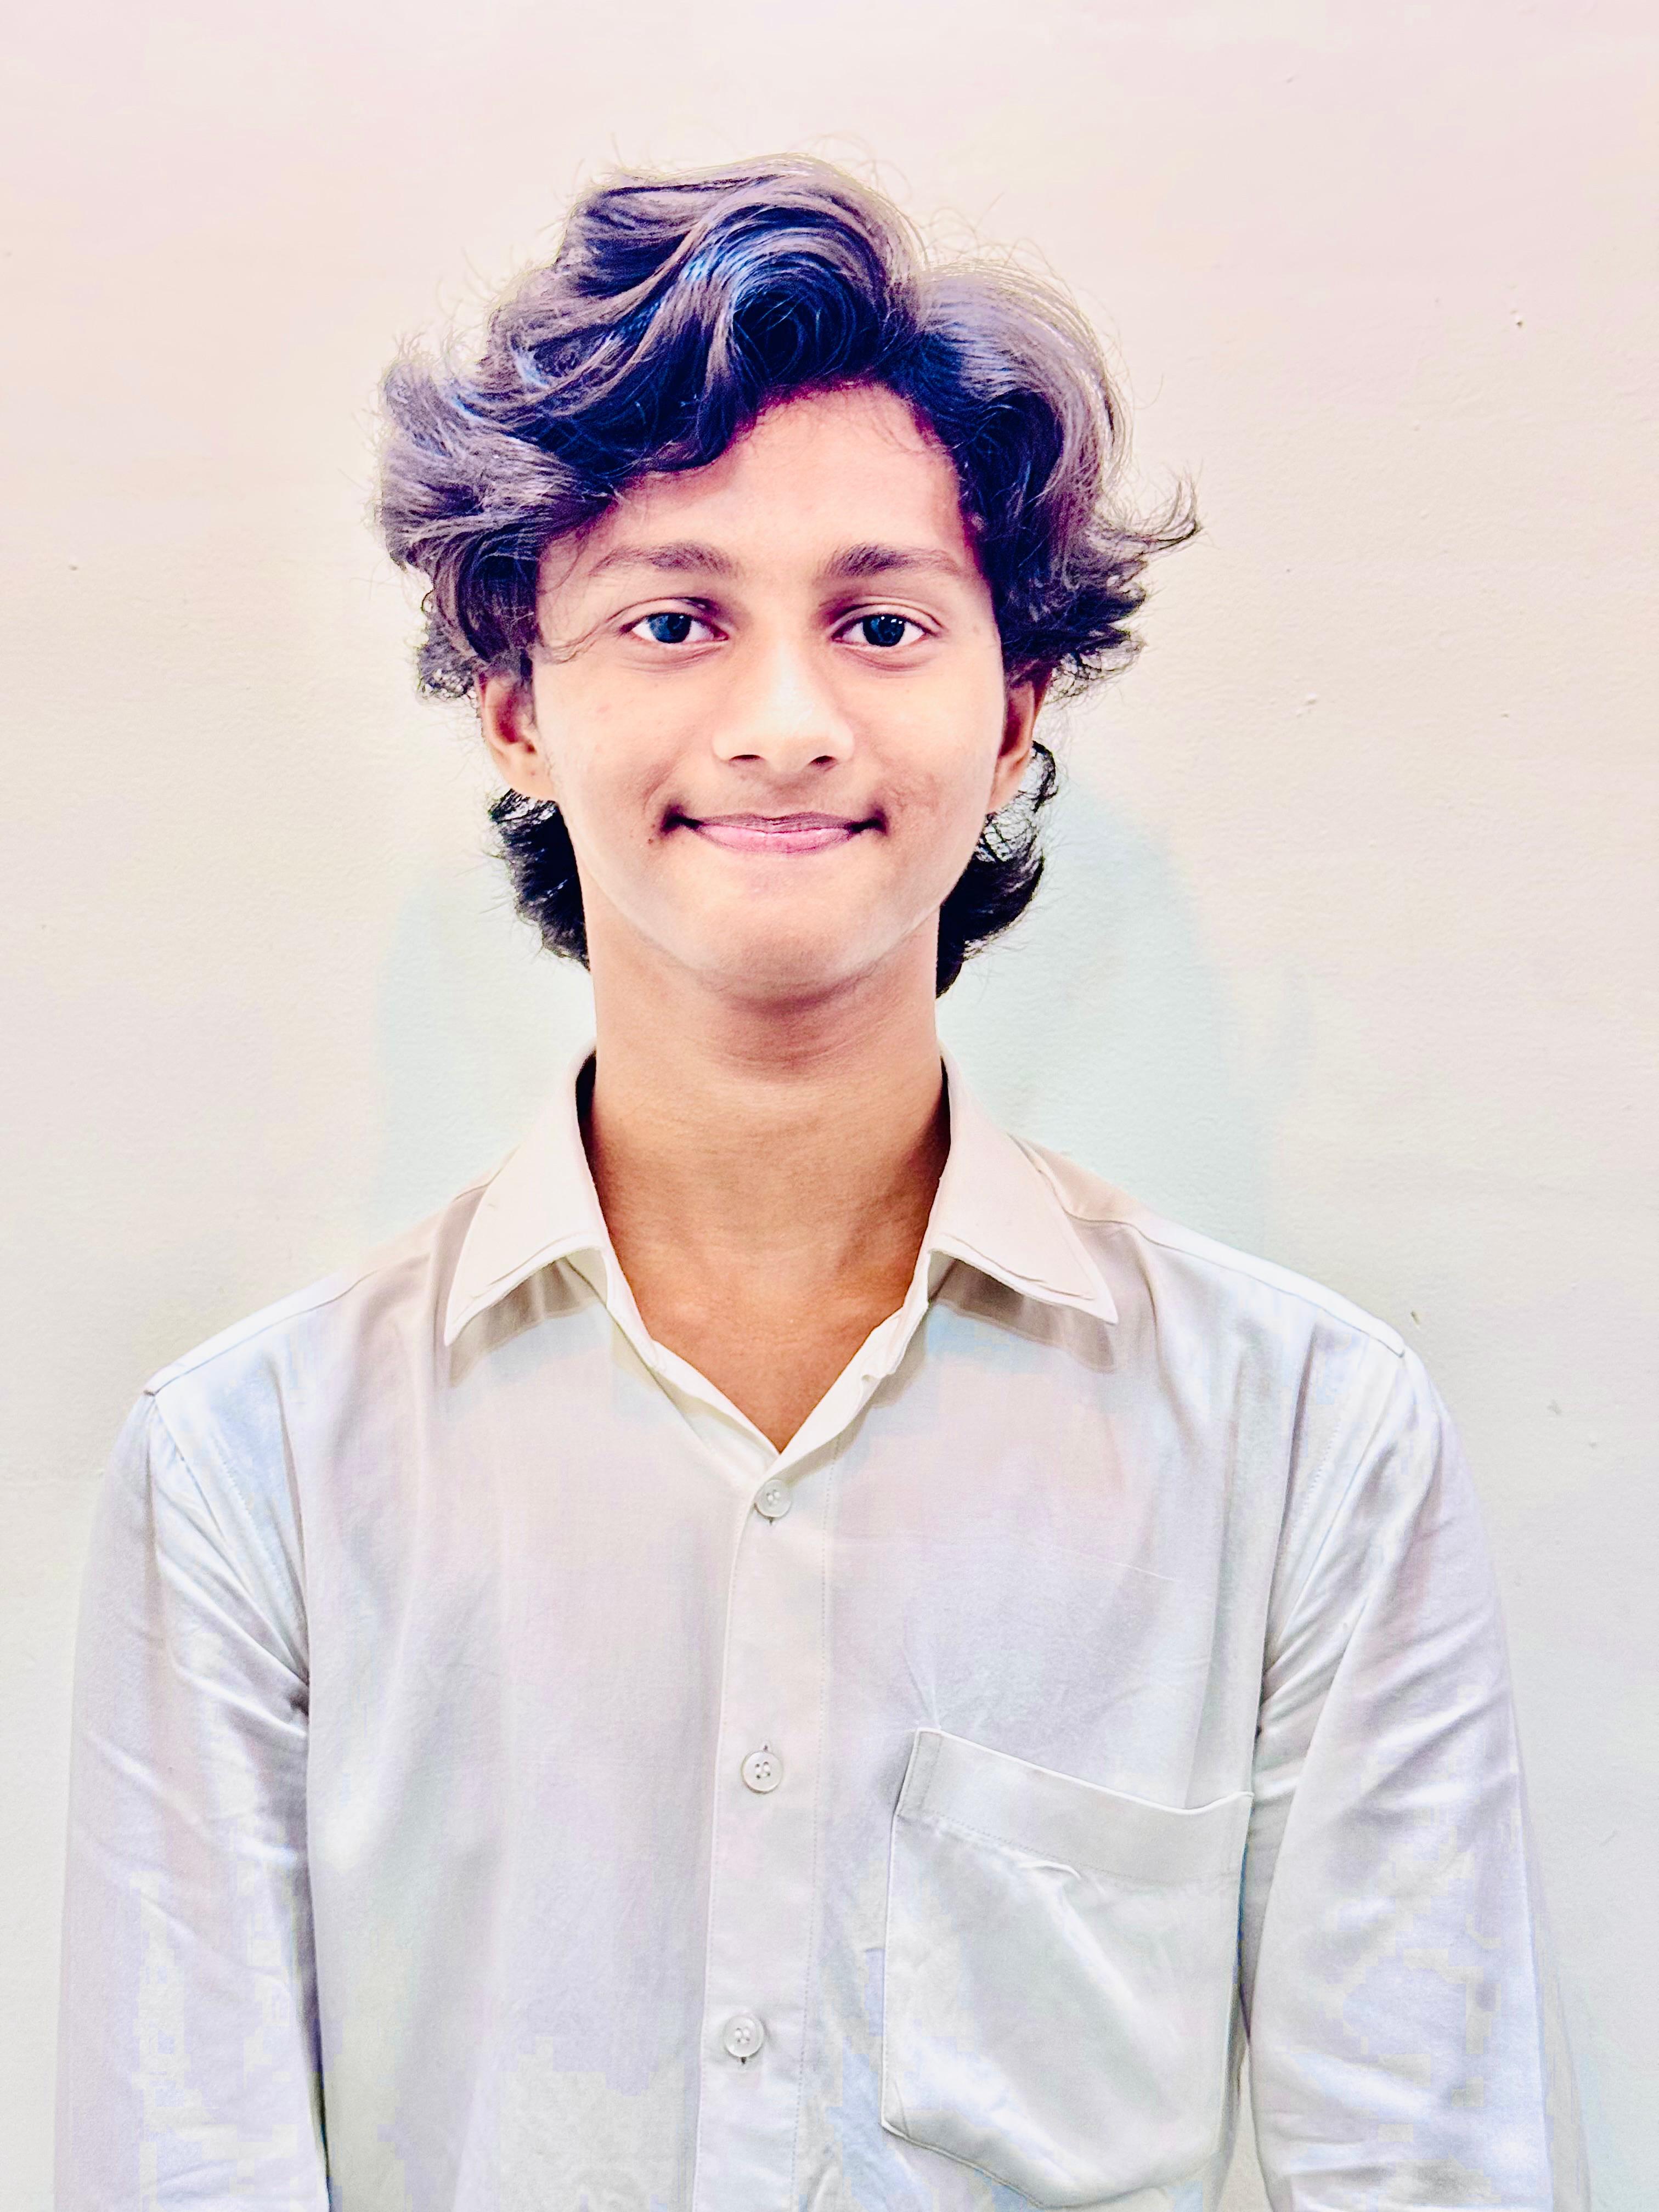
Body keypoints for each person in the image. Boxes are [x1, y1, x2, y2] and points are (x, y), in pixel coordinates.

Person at [55, 156, 1588, 2210]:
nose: (784, 723)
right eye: (672, 619)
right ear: (516, 705)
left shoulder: (1309, 1444)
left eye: (881, 622)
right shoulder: (253, 1477)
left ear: (1015, 707)